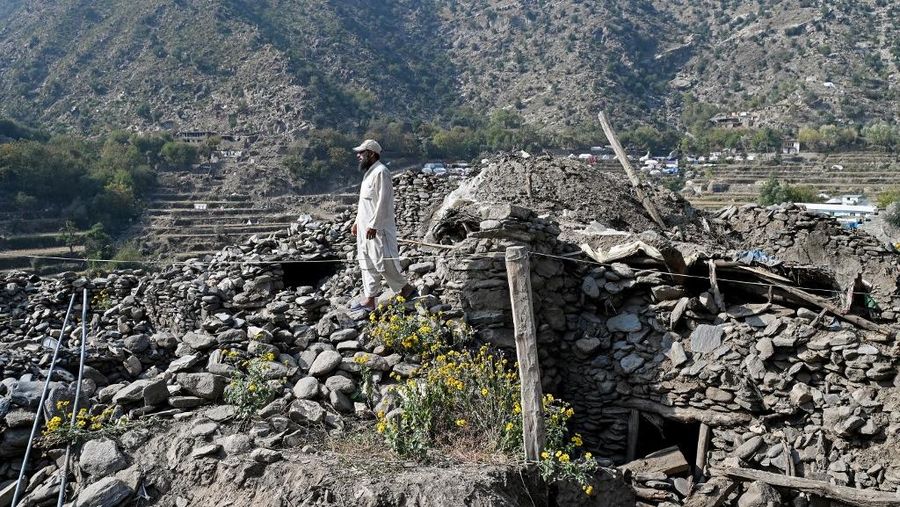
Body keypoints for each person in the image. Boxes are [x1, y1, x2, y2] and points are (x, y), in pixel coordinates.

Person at [350, 139, 417, 313]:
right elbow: (364, 204)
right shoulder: (369, 173)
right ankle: (370, 299)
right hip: (365, 229)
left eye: (361, 153)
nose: (358, 156)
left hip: (376, 229)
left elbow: (383, 201)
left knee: (383, 261)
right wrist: (357, 222)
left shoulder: (381, 172)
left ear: (371, 154)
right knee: (367, 263)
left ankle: (405, 288)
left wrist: (374, 224)